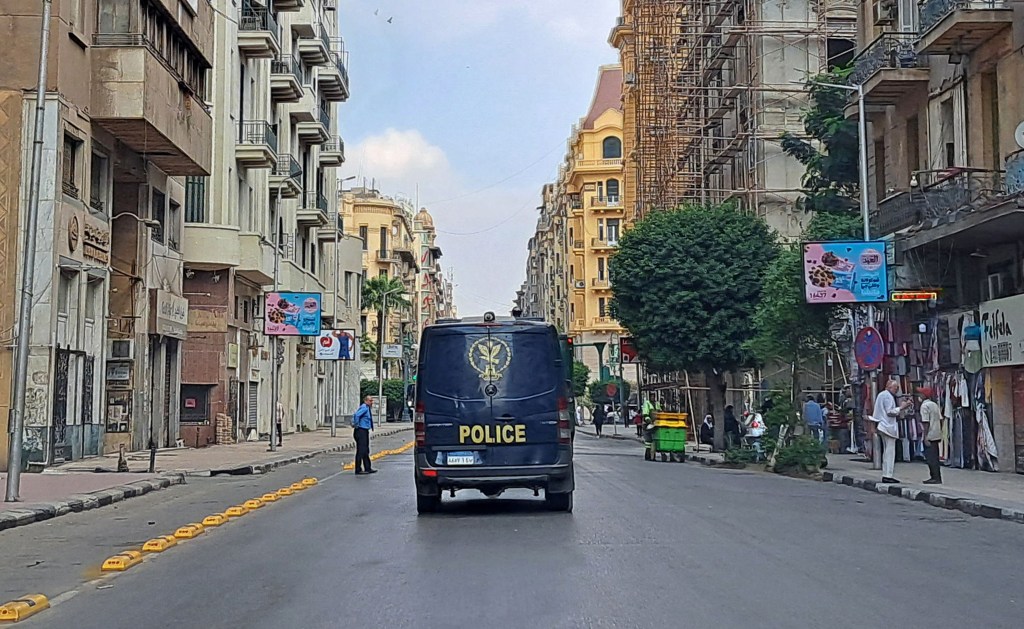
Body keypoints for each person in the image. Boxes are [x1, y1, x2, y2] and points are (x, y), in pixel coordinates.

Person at [868, 379, 912, 484]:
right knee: (890, 452)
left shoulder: (882, 395)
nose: (896, 390)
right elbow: (889, 412)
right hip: (887, 426)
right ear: (889, 387)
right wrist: (902, 407)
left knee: (887, 451)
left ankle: (886, 474)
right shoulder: (887, 396)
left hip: (884, 426)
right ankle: (888, 474)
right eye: (895, 388)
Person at [917, 387, 943, 484]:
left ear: (924, 396)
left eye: (920, 394)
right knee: (935, 457)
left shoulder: (924, 406)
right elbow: (941, 419)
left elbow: (925, 422)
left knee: (930, 458)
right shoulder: (935, 405)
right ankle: (937, 477)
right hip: (936, 433)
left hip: (930, 434)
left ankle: (934, 477)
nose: (918, 396)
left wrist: (925, 436)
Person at [352, 395, 376, 475]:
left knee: (365, 450)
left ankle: (368, 468)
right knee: (361, 451)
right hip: (361, 431)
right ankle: (358, 469)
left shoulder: (367, 408)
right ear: (366, 401)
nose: (371, 402)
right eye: (370, 401)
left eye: (372, 401)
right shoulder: (364, 408)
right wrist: (356, 425)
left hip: (364, 431)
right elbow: (356, 415)